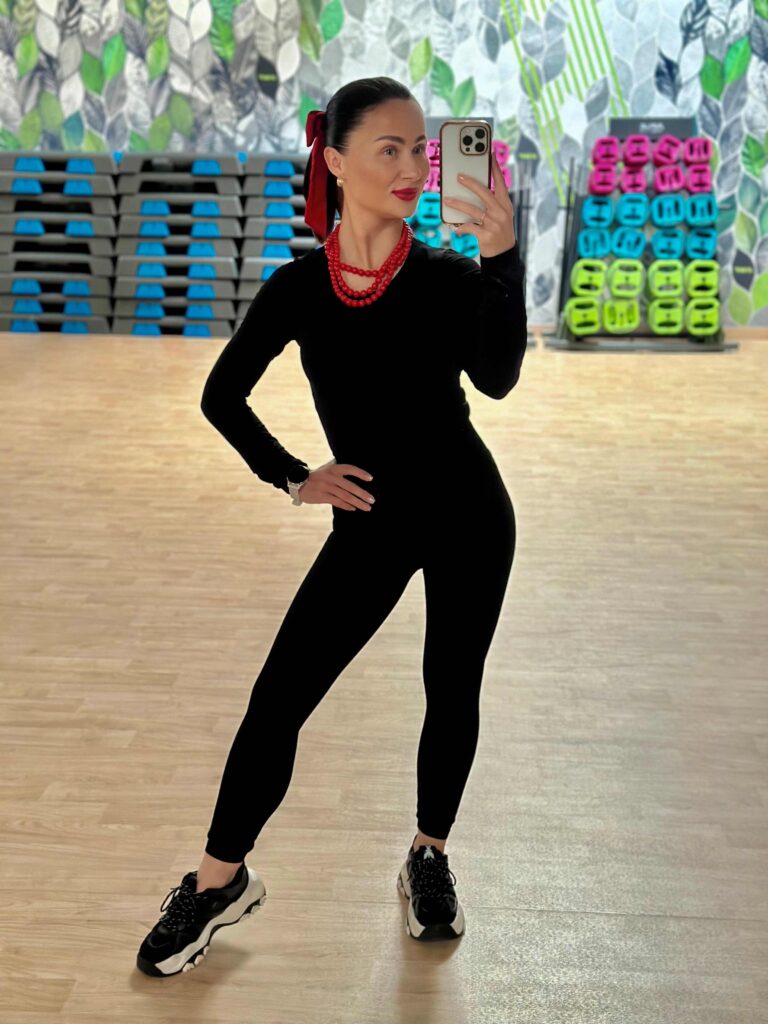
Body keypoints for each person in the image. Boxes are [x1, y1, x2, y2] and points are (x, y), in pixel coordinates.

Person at [137, 76, 527, 977]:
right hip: (372, 522)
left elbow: (498, 379)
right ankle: (217, 882)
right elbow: (221, 397)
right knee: (278, 699)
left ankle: (429, 854)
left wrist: (504, 261)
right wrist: (295, 477)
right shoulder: (299, 288)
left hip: (471, 515)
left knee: (451, 687)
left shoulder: (448, 277)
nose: (413, 166)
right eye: (389, 149)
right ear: (338, 162)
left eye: (421, 149)